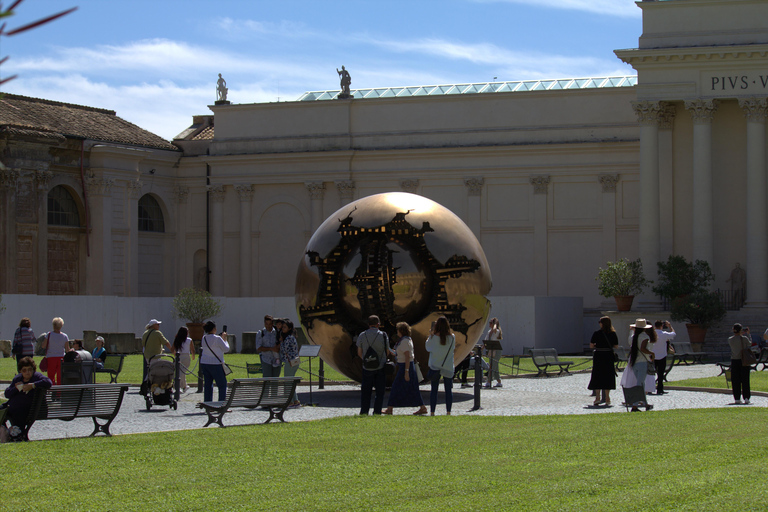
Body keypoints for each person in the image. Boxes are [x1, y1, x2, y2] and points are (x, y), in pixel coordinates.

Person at [1, 357, 52, 442]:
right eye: (24, 370)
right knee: (1, 409)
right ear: (20, 371)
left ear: (33, 369)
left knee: (18, 412)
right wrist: (16, 388)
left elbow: (48, 382)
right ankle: (6, 432)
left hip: (28, 409)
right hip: (12, 406)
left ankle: (16, 434)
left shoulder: (36, 377)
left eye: (29, 369)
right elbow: (7, 394)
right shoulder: (18, 378)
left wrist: (32, 385)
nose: (27, 372)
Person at [384, 322, 427, 416]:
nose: (397, 332)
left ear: (401, 331)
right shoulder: (405, 340)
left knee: (396, 387)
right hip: (405, 366)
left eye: (398, 330)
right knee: (413, 388)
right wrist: (394, 352)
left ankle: (390, 408)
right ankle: (422, 407)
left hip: (406, 367)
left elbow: (407, 356)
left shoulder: (404, 341)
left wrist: (406, 372)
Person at [356, 315, 393, 415]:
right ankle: (377, 411)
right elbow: (387, 352)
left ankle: (364, 411)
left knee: (366, 391)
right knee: (380, 391)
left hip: (367, 366)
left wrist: (366, 360)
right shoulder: (383, 335)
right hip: (380, 367)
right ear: (378, 324)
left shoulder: (362, 335)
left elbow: (359, 352)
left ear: (368, 324)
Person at [621, 318, 656, 411]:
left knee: (641, 383)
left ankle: (645, 403)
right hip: (642, 362)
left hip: (635, 362)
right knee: (640, 384)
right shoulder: (644, 336)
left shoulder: (633, 336)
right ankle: (635, 405)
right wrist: (651, 353)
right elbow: (643, 348)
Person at [425, 316, 456, 416]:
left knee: (434, 390)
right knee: (448, 390)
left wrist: (430, 335)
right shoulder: (452, 337)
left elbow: (428, 348)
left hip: (435, 365)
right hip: (447, 366)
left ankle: (433, 411)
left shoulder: (434, 337)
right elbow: (453, 349)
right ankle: (448, 411)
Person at [587, 316, 619, 406]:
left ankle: (597, 397)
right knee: (608, 376)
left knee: (597, 375)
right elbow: (616, 346)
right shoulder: (613, 333)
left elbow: (591, 346)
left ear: (602, 323)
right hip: (608, 356)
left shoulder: (597, 333)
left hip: (599, 356)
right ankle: (607, 397)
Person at [200, 320, 230, 402]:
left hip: (205, 363)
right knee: (222, 384)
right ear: (214, 328)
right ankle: (221, 403)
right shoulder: (218, 338)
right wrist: (225, 339)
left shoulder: (204, 338)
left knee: (208, 384)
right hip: (216, 363)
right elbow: (226, 349)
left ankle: (208, 403)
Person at [279, 319, 301, 408]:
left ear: (289, 328)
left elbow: (284, 350)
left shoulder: (288, 338)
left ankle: (290, 401)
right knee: (291, 381)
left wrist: (281, 341)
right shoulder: (293, 337)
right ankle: (296, 400)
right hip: (295, 361)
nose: (283, 329)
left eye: (284, 327)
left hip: (290, 362)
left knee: (287, 382)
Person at [42, 317, 71, 385]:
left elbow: (43, 346)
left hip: (51, 357)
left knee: (51, 376)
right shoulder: (65, 336)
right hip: (61, 357)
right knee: (60, 376)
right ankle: (59, 393)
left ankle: (52, 390)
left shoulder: (48, 334)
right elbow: (67, 349)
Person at [728, 323, 752, 405]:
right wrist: (748, 334)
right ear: (741, 330)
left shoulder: (730, 339)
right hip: (743, 360)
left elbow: (736, 338)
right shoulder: (744, 338)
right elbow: (750, 344)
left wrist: (739, 333)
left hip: (734, 361)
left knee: (735, 380)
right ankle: (746, 397)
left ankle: (737, 398)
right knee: (745, 379)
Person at [652, 320, 676, 395]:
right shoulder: (664, 334)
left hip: (653, 356)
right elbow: (673, 334)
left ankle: (650, 388)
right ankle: (660, 389)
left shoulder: (652, 334)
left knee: (651, 373)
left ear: (655, 326)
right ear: (661, 326)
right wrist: (670, 326)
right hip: (662, 356)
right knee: (661, 373)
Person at [173, 327, 195, 391]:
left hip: (178, 356)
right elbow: (192, 349)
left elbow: (174, 349)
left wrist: (175, 355)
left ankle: (183, 386)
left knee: (180, 372)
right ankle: (180, 386)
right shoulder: (189, 340)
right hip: (186, 357)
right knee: (182, 372)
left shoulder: (177, 339)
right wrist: (193, 356)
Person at [483, 317, 503, 388]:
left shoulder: (496, 331)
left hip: (496, 351)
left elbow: (494, 329)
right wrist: (482, 348)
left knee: (492, 366)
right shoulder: (489, 332)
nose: (489, 324)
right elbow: (486, 340)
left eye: (491, 322)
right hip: (491, 350)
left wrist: (495, 324)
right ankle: (499, 381)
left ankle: (488, 381)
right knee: (495, 366)